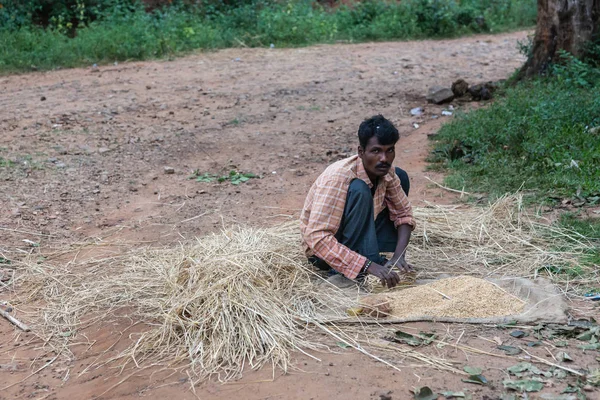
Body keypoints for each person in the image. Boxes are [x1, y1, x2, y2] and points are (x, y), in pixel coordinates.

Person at [300, 115, 415, 288]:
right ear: (361, 152)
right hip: (324, 254)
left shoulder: (386, 170)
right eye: (376, 151)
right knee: (359, 189)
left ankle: (369, 257)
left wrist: (399, 256)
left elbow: (403, 213)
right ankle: (346, 271)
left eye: (389, 150)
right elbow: (317, 239)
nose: (384, 158)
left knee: (401, 175)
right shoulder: (338, 178)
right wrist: (369, 265)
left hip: (359, 237)